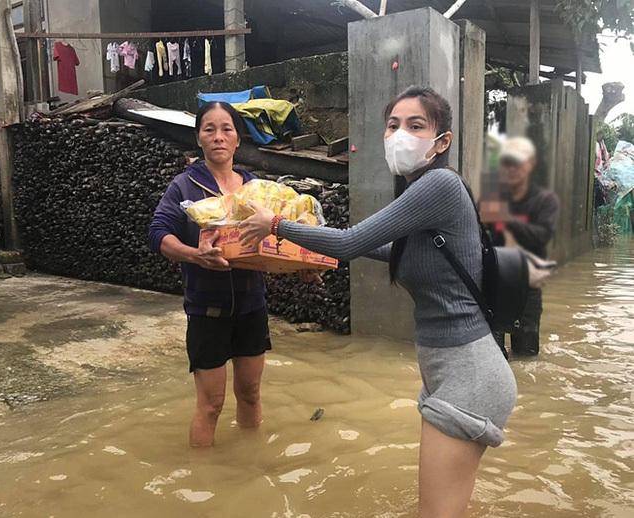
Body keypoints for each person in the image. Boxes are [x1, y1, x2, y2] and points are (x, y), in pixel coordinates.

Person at [239, 86, 517, 517]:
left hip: (469, 374)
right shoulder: (422, 192)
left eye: (416, 125)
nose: (400, 134)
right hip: (453, 369)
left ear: (442, 141)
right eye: (393, 125)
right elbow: (392, 254)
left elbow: (350, 242)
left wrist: (276, 224)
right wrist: (312, 254)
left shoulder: (438, 184)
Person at [148, 102, 272, 448]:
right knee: (212, 404)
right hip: (207, 310)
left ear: (237, 140)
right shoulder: (185, 187)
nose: (218, 137)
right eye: (209, 129)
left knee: (250, 393)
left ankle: (250, 463)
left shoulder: (255, 188)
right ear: (199, 139)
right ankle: (202, 484)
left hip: (251, 306)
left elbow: (278, 238)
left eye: (226, 129)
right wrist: (195, 256)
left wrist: (304, 270)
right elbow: (159, 234)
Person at [480, 137, 560, 357]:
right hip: (494, 286)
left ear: (530, 163)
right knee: (492, 356)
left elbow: (542, 236)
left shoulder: (545, 201)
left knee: (527, 356)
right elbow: (475, 235)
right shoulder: (492, 199)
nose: (511, 168)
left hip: (528, 286)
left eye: (517, 162)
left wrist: (508, 220)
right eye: (507, 162)